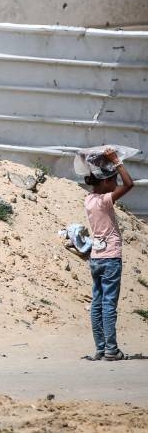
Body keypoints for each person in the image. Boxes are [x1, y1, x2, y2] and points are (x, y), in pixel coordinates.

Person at [83, 147, 134, 361]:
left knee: (97, 303)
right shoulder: (105, 200)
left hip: (96, 257)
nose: (115, 184)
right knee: (108, 304)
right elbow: (129, 184)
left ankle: (101, 348)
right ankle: (111, 350)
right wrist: (117, 162)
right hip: (111, 257)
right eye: (112, 180)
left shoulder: (89, 199)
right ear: (105, 183)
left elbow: (116, 185)